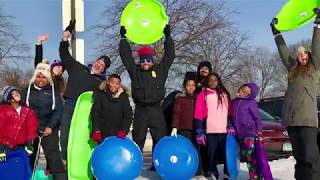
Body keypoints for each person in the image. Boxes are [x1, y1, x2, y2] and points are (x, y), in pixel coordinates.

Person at [270, 8, 320, 180]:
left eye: (305, 53)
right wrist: (277, 33)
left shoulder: (314, 68)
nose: (302, 55)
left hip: (307, 120)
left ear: (310, 56)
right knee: (299, 159)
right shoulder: (292, 70)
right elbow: (284, 52)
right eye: (299, 54)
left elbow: (316, 46)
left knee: (310, 158)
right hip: (291, 119)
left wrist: (317, 25)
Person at [59, 20, 111, 163]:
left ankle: (79, 164)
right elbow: (64, 55)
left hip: (85, 111)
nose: (99, 65)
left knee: (80, 140)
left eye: (102, 65)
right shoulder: (78, 68)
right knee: (64, 137)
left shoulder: (101, 83)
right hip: (69, 106)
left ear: (104, 69)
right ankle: (65, 162)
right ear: (95, 61)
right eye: (99, 62)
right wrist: (65, 38)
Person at [119, 25, 175, 152]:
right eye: (143, 60)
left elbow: (169, 56)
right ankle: (136, 164)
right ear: (140, 61)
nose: (145, 63)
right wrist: (123, 40)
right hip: (141, 110)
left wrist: (168, 38)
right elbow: (126, 57)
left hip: (156, 109)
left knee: (160, 138)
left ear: (152, 61)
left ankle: (159, 164)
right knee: (138, 138)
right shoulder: (135, 71)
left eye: (148, 61)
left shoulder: (160, 71)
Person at [21, 61, 66, 179]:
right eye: (38, 77)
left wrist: (50, 126)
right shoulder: (26, 91)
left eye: (44, 77)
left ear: (48, 79)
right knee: (29, 157)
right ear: (34, 77)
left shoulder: (53, 92)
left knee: (53, 158)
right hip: (30, 129)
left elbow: (58, 110)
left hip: (48, 128)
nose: (41, 80)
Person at [194, 72, 230, 179]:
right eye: (210, 80)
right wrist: (199, 130)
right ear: (207, 82)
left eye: (215, 80)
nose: (212, 82)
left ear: (218, 81)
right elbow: (198, 113)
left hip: (224, 131)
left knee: (226, 155)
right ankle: (213, 172)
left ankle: (227, 173)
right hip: (210, 131)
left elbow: (229, 112)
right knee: (211, 155)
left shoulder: (224, 94)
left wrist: (231, 125)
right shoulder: (203, 94)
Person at [231, 83, 263, 180]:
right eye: (241, 90)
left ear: (249, 94)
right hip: (239, 134)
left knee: (250, 155)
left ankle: (255, 177)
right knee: (245, 155)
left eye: (245, 92)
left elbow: (257, 118)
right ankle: (255, 175)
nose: (242, 92)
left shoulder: (251, 102)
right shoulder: (234, 102)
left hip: (249, 133)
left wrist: (259, 131)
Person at [91, 74, 133, 143]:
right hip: (102, 133)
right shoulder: (100, 95)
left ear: (119, 85)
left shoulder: (124, 97)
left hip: (118, 134)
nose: (114, 85)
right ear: (108, 82)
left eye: (117, 84)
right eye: (112, 83)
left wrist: (124, 130)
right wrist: (96, 129)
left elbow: (128, 115)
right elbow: (95, 112)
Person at [0, 86, 38, 162]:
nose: (17, 94)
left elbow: (31, 127)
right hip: (5, 145)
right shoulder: (3, 111)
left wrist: (30, 142)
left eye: (17, 92)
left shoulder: (27, 111)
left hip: (21, 145)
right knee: (6, 167)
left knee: (21, 165)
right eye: (13, 93)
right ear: (8, 98)